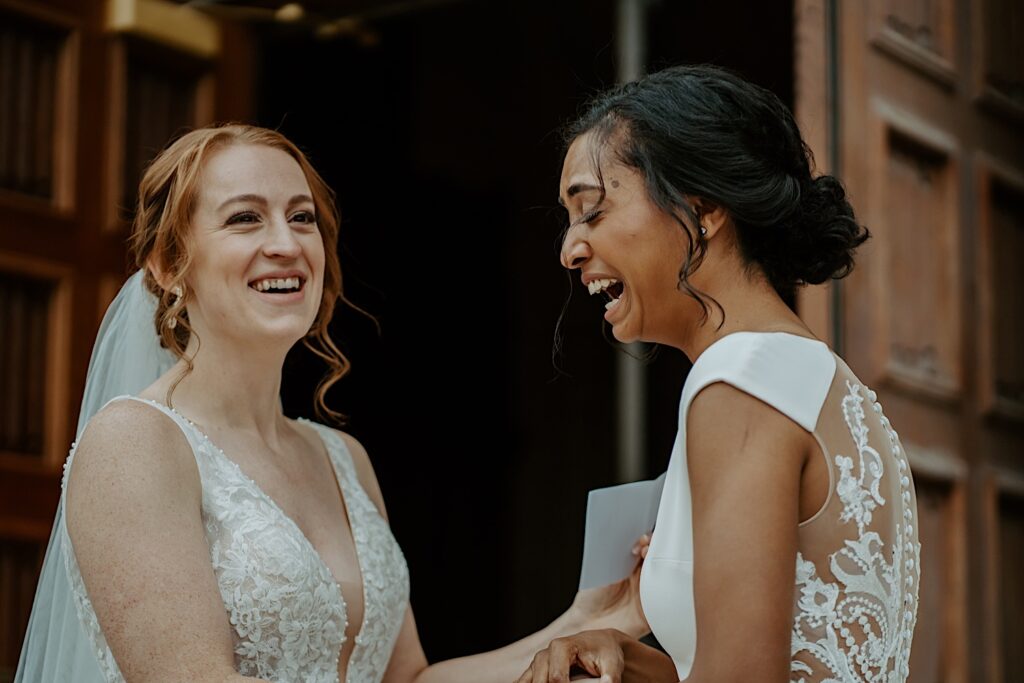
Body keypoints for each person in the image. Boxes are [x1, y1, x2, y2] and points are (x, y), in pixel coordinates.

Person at [14, 124, 648, 683]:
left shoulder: (342, 456)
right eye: (244, 218)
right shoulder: (134, 442)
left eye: (302, 217)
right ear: (168, 262)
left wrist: (591, 617)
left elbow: (407, 680)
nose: (286, 243)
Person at [516, 65, 921, 683]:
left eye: (593, 212)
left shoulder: (740, 377)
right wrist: (634, 662)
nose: (570, 249)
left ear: (700, 211)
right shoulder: (818, 378)